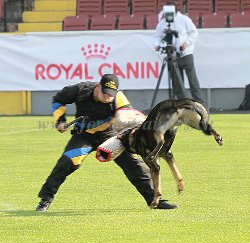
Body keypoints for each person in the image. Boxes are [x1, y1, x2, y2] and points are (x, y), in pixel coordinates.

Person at [36, 74, 178, 211]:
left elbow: (129, 116)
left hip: (110, 136)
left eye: (111, 94)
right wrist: (60, 121)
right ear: (98, 87)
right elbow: (58, 99)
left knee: (134, 164)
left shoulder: (118, 97)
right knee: (67, 162)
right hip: (84, 136)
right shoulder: (80, 90)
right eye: (105, 93)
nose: (107, 97)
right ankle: (45, 199)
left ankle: (155, 200)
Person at [154, 0, 203, 102]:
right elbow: (157, 37)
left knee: (192, 81)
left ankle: (200, 105)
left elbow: (194, 32)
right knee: (177, 84)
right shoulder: (162, 23)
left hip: (186, 54)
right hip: (171, 56)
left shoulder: (184, 19)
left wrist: (187, 43)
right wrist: (157, 45)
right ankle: (183, 104)